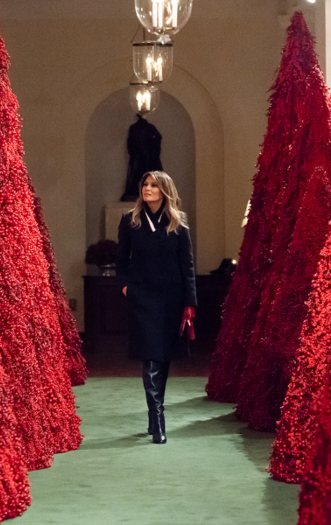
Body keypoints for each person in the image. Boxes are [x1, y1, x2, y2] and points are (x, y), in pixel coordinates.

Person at [116, 171, 197, 444]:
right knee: (150, 357)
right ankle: (159, 419)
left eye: (153, 185)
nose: (147, 189)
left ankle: (154, 416)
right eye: (145, 185)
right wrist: (126, 287)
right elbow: (121, 261)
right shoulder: (130, 221)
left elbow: (187, 266)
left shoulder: (178, 222)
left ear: (164, 190)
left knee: (162, 358)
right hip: (142, 297)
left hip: (172, 298)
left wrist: (189, 302)